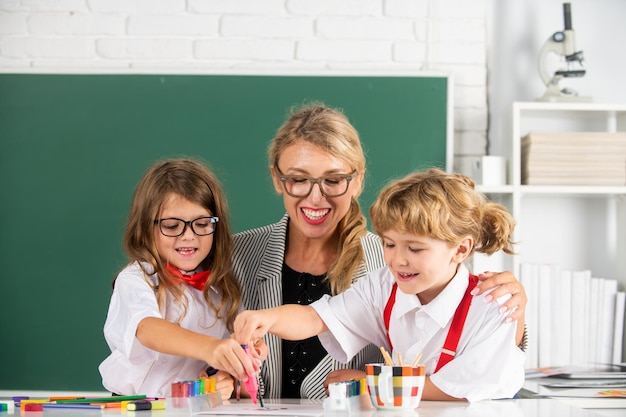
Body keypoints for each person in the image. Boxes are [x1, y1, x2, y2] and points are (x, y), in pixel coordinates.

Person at [232, 103, 527, 399]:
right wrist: (266, 320)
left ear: (357, 180)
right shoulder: (384, 284)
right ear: (277, 179)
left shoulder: (478, 298)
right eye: (299, 179)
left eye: (333, 180)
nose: (398, 259)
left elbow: (476, 379)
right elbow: (315, 317)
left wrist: (371, 383)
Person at [99, 158, 264, 400]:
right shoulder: (137, 278)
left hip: (191, 407)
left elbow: (227, 362)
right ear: (146, 228)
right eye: (172, 226)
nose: (188, 236)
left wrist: (228, 379)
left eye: (201, 224)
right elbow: (148, 329)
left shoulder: (221, 289)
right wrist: (211, 348)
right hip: (135, 406)